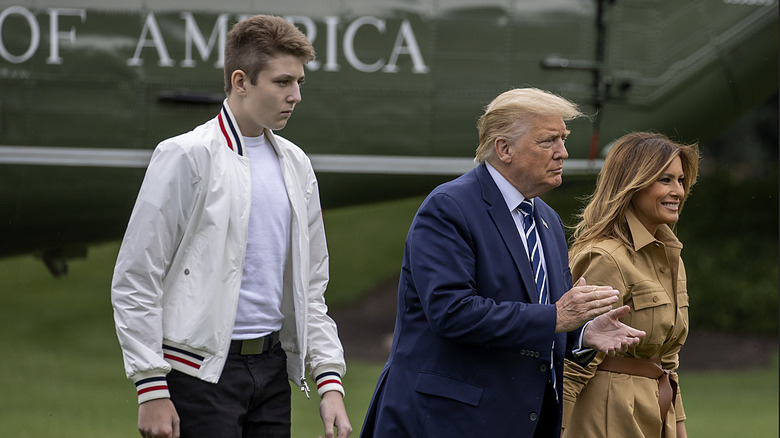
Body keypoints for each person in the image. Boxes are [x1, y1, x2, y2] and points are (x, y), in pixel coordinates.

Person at [111, 15, 352, 438]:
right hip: (196, 375)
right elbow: (136, 278)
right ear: (241, 81)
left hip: (273, 371)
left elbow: (311, 286)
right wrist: (151, 387)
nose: (295, 95)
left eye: (299, 82)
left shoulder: (297, 165)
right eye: (282, 82)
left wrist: (329, 379)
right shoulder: (184, 156)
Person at [359, 88, 646, 438]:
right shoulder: (449, 207)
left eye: (563, 139)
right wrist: (556, 317)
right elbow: (452, 312)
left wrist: (581, 333)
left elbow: (541, 317)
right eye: (548, 141)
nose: (563, 153)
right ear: (503, 148)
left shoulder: (547, 220)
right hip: (446, 422)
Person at [561, 132, 700, 438]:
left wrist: (677, 427)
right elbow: (573, 356)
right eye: (665, 180)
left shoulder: (670, 253)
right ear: (633, 183)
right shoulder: (604, 257)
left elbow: (666, 359)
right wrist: (554, 428)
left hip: (655, 410)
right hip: (607, 415)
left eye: (680, 180)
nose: (678, 190)